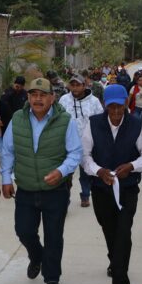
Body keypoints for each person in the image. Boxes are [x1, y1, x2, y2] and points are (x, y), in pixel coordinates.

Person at [1, 78, 82, 284]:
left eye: (42, 94)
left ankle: (52, 277)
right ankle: (36, 256)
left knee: (54, 235)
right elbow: (8, 150)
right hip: (26, 188)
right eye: (33, 94)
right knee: (24, 231)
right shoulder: (17, 119)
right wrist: (6, 179)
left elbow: (75, 152)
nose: (38, 99)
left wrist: (61, 171)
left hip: (55, 190)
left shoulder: (65, 121)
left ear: (52, 97)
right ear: (28, 97)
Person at [81, 84, 142, 284]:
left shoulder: (136, 125)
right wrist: (99, 171)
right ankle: (115, 260)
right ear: (105, 105)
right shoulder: (93, 124)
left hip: (127, 190)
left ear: (125, 104)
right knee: (108, 228)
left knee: (123, 233)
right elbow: (84, 156)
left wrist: (131, 166)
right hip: (101, 190)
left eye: (119, 107)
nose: (115, 113)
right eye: (111, 107)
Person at [59, 73, 104, 208]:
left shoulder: (94, 101)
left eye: (78, 85)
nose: (75, 88)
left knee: (85, 173)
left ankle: (85, 195)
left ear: (84, 85)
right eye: (72, 85)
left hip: (87, 144)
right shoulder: (64, 100)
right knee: (66, 173)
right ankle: (64, 199)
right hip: (68, 144)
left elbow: (101, 121)